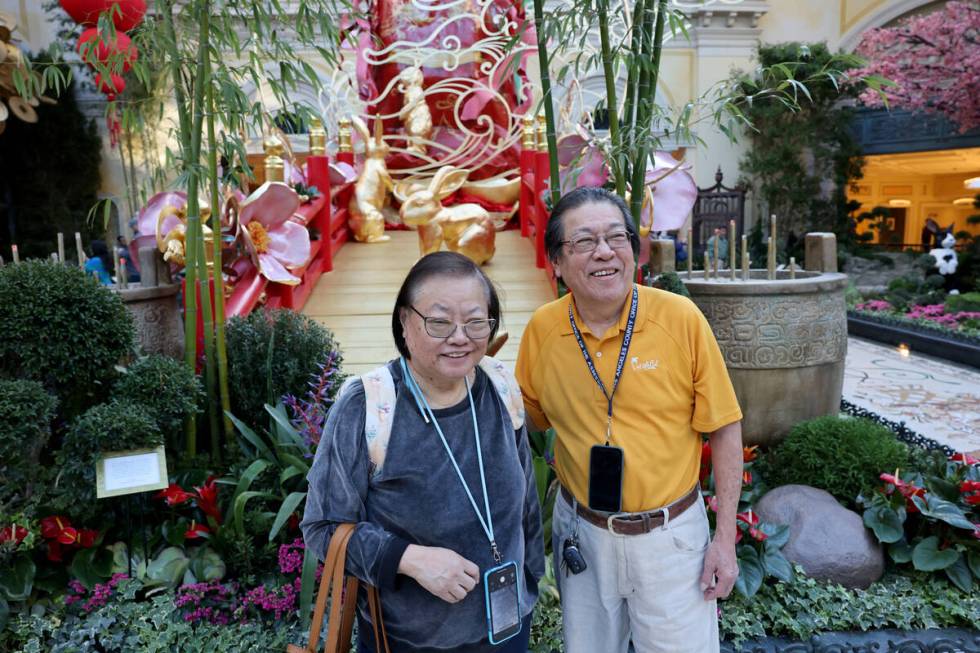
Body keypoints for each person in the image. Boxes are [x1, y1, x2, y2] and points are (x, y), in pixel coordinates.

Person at [515, 187, 743, 653]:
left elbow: (723, 425)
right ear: (556, 262)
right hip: (583, 535)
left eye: (616, 237)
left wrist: (725, 539)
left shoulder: (679, 319)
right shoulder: (543, 329)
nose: (604, 251)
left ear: (633, 250)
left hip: (671, 538)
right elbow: (527, 419)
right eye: (583, 242)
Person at [302, 251, 544, 653]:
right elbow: (323, 528)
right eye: (439, 321)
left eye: (475, 321)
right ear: (404, 321)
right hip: (406, 640)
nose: (460, 336)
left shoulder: (499, 385)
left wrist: (528, 583)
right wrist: (409, 559)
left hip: (507, 628)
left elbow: (526, 507)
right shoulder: (369, 405)